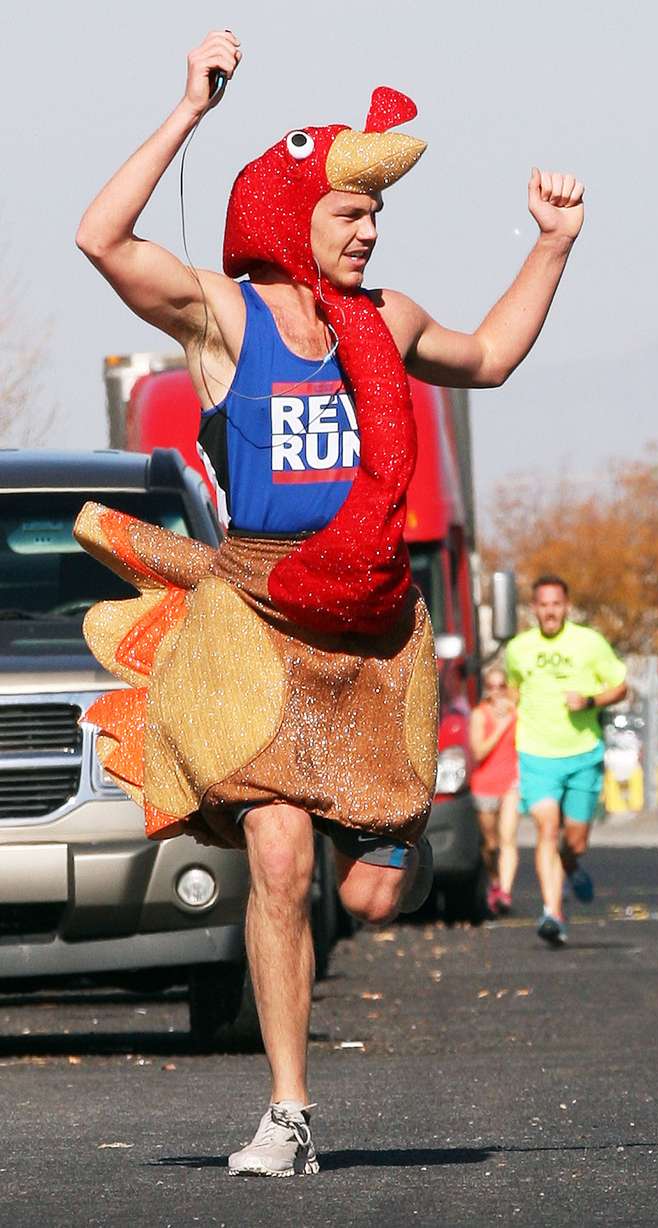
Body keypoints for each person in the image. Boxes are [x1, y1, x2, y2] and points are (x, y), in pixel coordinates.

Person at [74, 29, 586, 1177]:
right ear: (291, 213)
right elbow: (99, 237)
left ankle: (391, 840)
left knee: (372, 893)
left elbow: (493, 355)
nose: (368, 231)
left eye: (376, 218)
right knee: (283, 862)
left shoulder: (389, 320)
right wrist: (188, 111)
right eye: (350, 213)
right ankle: (289, 1113)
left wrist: (552, 247)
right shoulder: (223, 316)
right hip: (258, 618)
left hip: (374, 632)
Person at [506, 576, 627, 946]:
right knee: (546, 827)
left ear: (566, 606)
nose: (550, 611)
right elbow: (514, 687)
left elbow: (621, 686)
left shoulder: (589, 642)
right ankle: (552, 913)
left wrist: (589, 701)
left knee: (574, 841)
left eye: (556, 604)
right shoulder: (518, 648)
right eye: (543, 605)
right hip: (536, 752)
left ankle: (571, 865)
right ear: (534, 609)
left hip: (582, 753)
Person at [469, 667, 519, 915]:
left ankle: (505, 892)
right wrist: (500, 727)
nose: (497, 691)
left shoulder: (516, 714)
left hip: (511, 783)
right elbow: (478, 752)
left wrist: (512, 714)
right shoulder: (479, 715)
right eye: (492, 686)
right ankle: (495, 879)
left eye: (502, 686)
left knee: (508, 839)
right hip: (484, 785)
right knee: (490, 844)